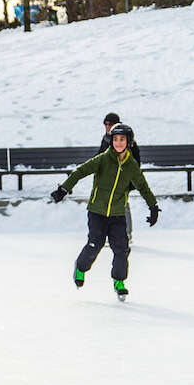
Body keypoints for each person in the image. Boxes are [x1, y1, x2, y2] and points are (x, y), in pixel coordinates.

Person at [49, 123, 160, 300]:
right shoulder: (103, 159)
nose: (118, 143)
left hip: (117, 214)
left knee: (121, 249)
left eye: (122, 139)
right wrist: (64, 189)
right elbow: (80, 171)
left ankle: (119, 281)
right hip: (97, 212)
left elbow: (143, 187)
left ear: (128, 141)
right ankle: (80, 268)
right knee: (95, 244)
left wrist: (153, 207)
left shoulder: (131, 165)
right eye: (115, 139)